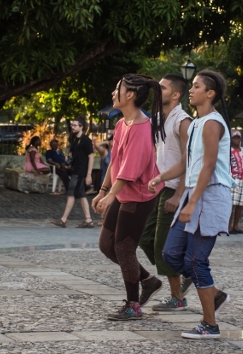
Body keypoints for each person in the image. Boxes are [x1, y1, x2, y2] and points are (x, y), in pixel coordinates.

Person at [149, 69, 235, 339]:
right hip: (193, 197)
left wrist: (191, 202)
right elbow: (189, 164)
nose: (192, 90)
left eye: (197, 86)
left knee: (196, 261)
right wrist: (161, 177)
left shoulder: (212, 123)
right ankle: (214, 293)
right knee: (171, 254)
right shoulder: (197, 123)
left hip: (209, 197)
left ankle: (210, 325)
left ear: (210, 93)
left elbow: (208, 166)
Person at [90, 74, 165, 321]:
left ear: (130, 95)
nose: (113, 93)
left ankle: (133, 306)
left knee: (124, 248)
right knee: (106, 244)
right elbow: (115, 162)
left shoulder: (143, 128)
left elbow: (131, 169)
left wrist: (111, 195)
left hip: (140, 195)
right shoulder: (122, 124)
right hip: (121, 191)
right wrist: (104, 191)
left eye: (117, 89)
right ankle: (148, 281)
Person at [139, 73, 193, 313]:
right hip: (157, 187)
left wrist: (178, 195)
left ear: (176, 94)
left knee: (162, 243)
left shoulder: (184, 121)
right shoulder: (158, 118)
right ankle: (183, 271)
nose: (156, 90)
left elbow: (189, 161)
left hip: (173, 190)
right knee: (143, 236)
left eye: (162, 87)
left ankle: (177, 297)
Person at [51, 117, 95, 228]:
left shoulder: (86, 140)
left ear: (81, 127)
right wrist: (68, 159)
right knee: (81, 195)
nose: (73, 127)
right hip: (75, 170)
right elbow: (74, 155)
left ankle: (63, 219)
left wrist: (89, 174)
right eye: (72, 125)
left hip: (80, 172)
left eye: (75, 125)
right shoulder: (75, 140)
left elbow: (91, 157)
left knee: (71, 193)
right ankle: (88, 220)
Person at [229, 131, 243, 234]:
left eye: (238, 138)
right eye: (234, 138)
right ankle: (228, 227)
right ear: (231, 139)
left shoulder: (242, 150)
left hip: (242, 178)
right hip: (233, 178)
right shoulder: (229, 150)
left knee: (239, 204)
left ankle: (236, 226)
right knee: (231, 204)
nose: (236, 140)